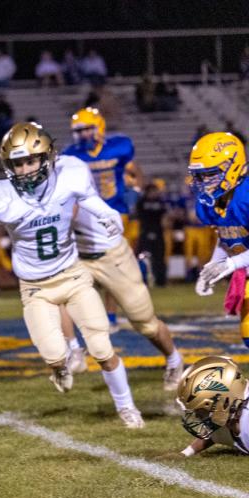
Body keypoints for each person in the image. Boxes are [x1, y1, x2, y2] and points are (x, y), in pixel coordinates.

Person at [0, 122, 144, 428]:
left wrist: (110, 218)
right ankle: (58, 367)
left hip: (74, 276)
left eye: (30, 160)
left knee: (102, 348)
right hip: (35, 288)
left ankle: (127, 407)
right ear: (8, 165)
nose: (25, 169)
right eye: (17, 163)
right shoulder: (1, 197)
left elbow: (95, 204)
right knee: (55, 355)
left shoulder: (70, 177)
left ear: (46, 157)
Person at [60, 107, 183, 388]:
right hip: (80, 249)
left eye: (87, 129)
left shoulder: (118, 147)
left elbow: (131, 168)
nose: (83, 136)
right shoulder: (69, 160)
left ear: (100, 127)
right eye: (79, 131)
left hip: (111, 239)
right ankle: (73, 350)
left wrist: (137, 187)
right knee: (56, 293)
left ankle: (174, 358)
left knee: (145, 323)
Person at [189, 132, 249, 349]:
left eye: (210, 174)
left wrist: (232, 264)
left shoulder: (246, 195)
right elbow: (226, 236)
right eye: (199, 175)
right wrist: (212, 267)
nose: (204, 182)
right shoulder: (212, 200)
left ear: (233, 166)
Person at [174, 356, 249, 457]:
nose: (197, 416)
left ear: (224, 403)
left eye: (201, 410)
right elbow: (217, 434)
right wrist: (186, 453)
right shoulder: (233, 415)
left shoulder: (244, 422)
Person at [136, 181, 169, 287]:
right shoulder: (141, 202)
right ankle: (143, 279)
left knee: (159, 258)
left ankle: (161, 280)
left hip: (158, 233)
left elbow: (165, 217)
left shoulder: (160, 202)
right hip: (145, 233)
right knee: (143, 257)